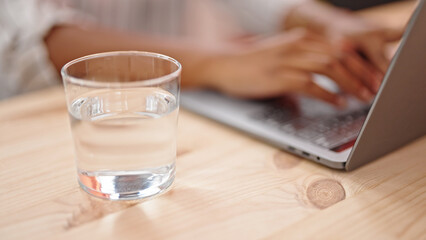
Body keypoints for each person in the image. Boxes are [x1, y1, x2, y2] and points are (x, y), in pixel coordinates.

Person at [0, 0, 401, 106]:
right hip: (36, 129)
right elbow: (23, 40)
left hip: (180, 101)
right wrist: (219, 62)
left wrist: (323, 20)